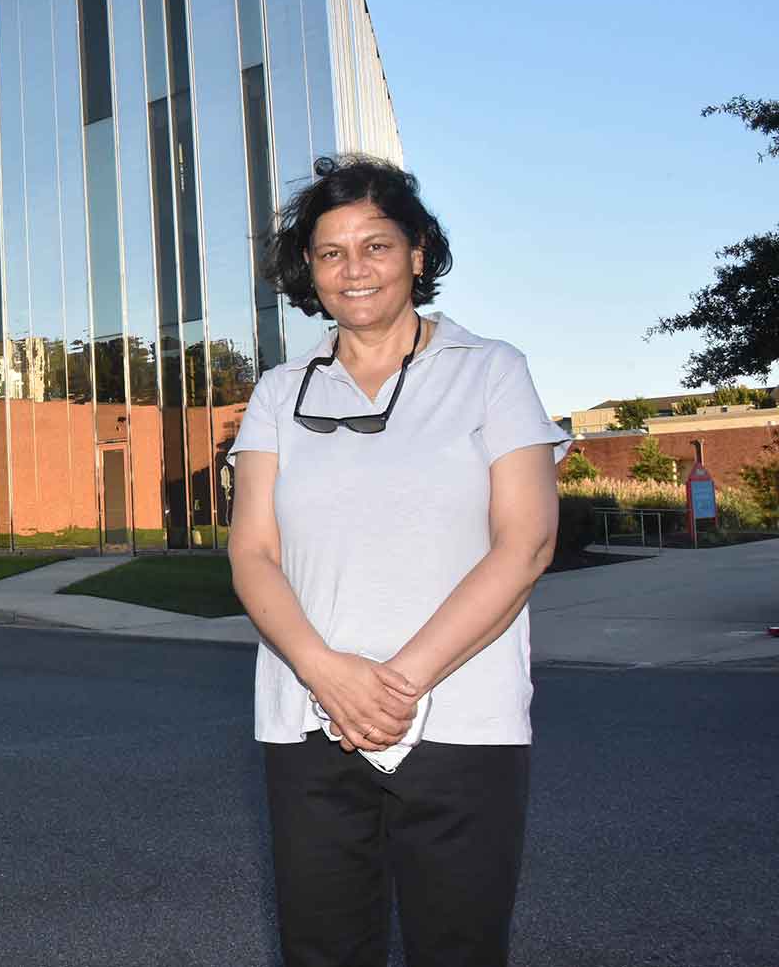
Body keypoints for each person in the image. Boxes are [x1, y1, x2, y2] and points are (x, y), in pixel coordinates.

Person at [226, 155, 567, 967]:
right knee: (323, 949)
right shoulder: (280, 391)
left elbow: (526, 544)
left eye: (376, 246)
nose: (355, 269)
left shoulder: (491, 372)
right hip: (309, 721)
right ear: (309, 272)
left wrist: (398, 682)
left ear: (418, 252)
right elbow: (252, 552)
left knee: (459, 947)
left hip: (461, 720)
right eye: (331, 252)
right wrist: (328, 676)